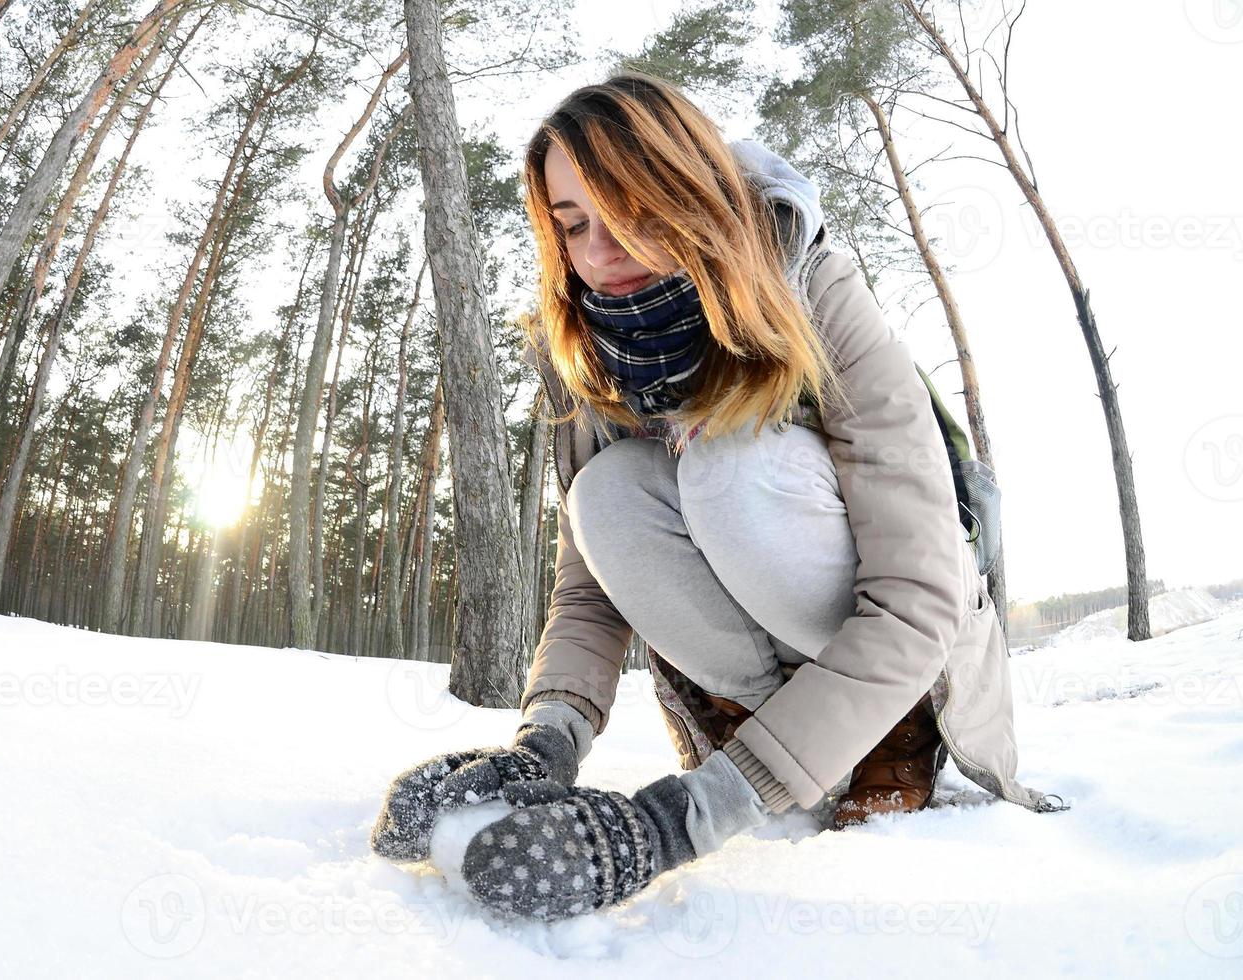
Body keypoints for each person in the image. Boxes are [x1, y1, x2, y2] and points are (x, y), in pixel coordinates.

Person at [371, 71, 1066, 923]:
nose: (598, 253)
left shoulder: (815, 293)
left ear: (693, 193)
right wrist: (545, 741)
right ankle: (773, 747)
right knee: (607, 496)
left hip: (905, 657)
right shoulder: (595, 354)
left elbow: (918, 601)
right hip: (755, 673)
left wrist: (680, 822)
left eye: (630, 211)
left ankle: (889, 746)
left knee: (727, 466)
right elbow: (589, 589)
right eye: (573, 224)